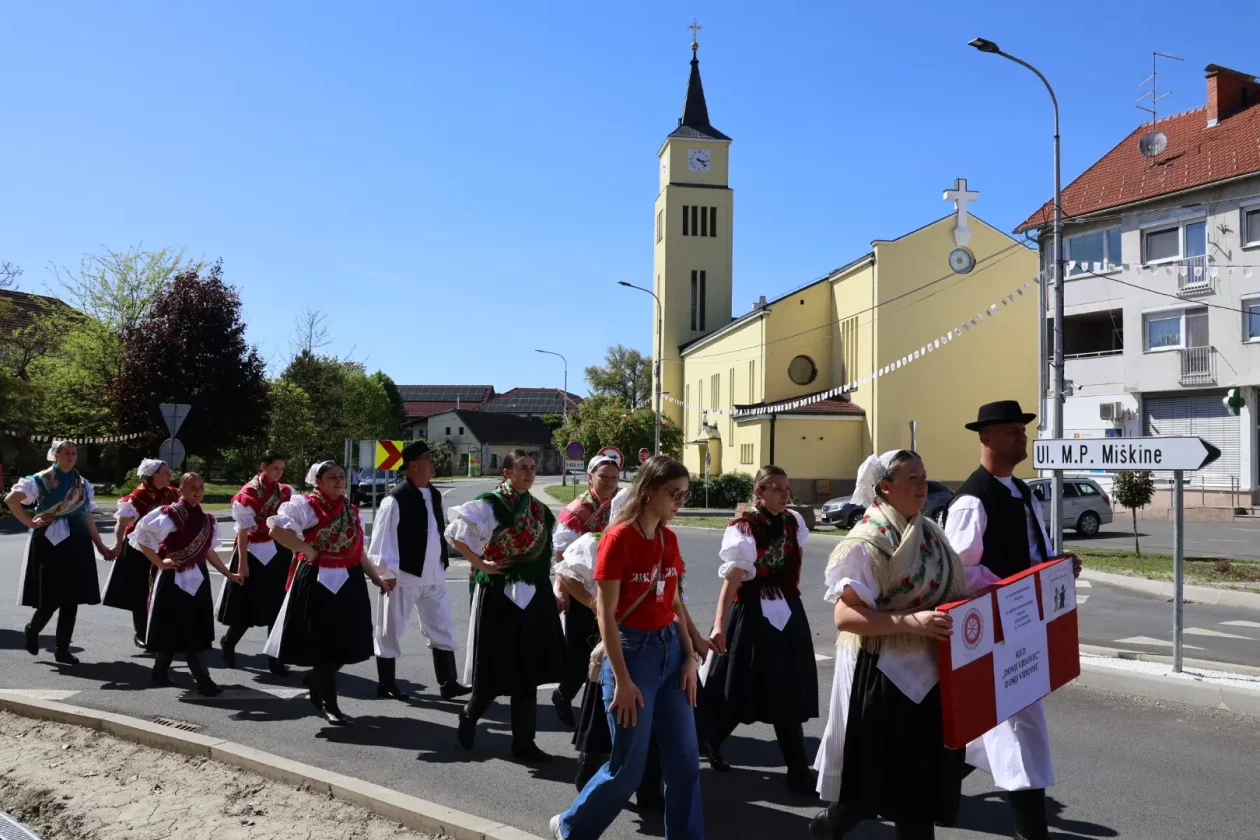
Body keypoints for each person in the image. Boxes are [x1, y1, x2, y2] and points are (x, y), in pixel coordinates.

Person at [810, 450, 966, 840]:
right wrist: (911, 622)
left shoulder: (929, 532)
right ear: (885, 487)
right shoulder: (868, 540)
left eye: (924, 476)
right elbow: (845, 617)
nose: (922, 485)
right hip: (885, 676)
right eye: (911, 478)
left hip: (931, 674)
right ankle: (826, 828)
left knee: (918, 796)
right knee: (869, 790)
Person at [943, 401, 1081, 840]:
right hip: (998, 632)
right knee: (1020, 731)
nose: (1021, 437)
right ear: (985, 439)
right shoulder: (971, 500)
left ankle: (925, 791)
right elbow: (960, 573)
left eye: (1022, 431)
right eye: (1010, 432)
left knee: (991, 730)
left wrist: (1055, 566)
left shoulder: (1021, 491)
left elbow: (1030, 553)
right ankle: (1030, 830)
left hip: (1026, 624)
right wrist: (1016, 588)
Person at [550, 455, 703, 840]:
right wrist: (621, 679)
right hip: (632, 654)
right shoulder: (618, 539)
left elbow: (673, 603)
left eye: (684, 495)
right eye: (673, 494)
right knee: (627, 768)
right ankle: (571, 826)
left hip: (670, 653)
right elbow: (605, 613)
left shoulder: (668, 538)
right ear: (649, 491)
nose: (679, 503)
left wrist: (689, 655)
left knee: (685, 764)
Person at [701, 465, 817, 794]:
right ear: (760, 492)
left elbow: (792, 563)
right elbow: (733, 580)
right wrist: (720, 624)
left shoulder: (793, 522)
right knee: (741, 687)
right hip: (752, 614)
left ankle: (798, 771)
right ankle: (711, 738)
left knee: (787, 689)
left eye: (787, 487)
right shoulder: (744, 528)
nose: (785, 494)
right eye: (777, 488)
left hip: (787, 612)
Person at [445, 449, 564, 763]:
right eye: (522, 468)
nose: (529, 473)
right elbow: (457, 533)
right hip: (500, 593)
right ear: (507, 472)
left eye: (533, 467)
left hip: (533, 592)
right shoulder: (491, 503)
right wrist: (481, 564)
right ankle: (470, 714)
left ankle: (524, 744)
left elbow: (546, 553)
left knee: (529, 670)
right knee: (496, 668)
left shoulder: (538, 508)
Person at [264, 460, 393, 726]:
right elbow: (276, 529)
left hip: (349, 580)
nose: (338, 481)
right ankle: (330, 704)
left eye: (341, 477)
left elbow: (358, 551)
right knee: (324, 645)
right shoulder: (305, 506)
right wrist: (306, 549)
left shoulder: (350, 510)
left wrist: (376, 577)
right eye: (331, 477)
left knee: (350, 641)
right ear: (318, 482)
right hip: (317, 580)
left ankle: (315, 679)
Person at [368, 440, 470, 701]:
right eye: (428, 459)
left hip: (434, 576)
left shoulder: (434, 494)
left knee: (442, 626)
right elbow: (382, 539)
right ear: (413, 465)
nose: (433, 463)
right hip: (403, 576)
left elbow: (436, 533)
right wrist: (385, 574)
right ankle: (387, 683)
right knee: (390, 628)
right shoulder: (395, 499)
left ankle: (448, 683)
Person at [132, 473, 242, 695]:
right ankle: (203, 680)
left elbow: (208, 550)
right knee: (179, 626)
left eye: (200, 487)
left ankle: (159, 671)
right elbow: (141, 536)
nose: (197, 491)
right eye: (192, 487)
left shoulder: (206, 518)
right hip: (173, 577)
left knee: (193, 626)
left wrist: (227, 573)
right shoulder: (170, 514)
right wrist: (160, 562)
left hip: (197, 576)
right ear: (180, 489)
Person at [5, 440, 111, 665]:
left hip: (78, 542)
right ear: (56, 455)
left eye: (74, 453)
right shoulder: (41, 480)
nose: (71, 456)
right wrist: (31, 523)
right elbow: (11, 500)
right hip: (50, 543)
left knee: (72, 599)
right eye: (66, 453)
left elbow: (87, 516)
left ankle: (62, 649)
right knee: (51, 597)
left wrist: (100, 545)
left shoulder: (82, 483)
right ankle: (32, 629)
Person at [551, 454, 622, 727]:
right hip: (583, 590)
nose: (609, 482)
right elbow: (562, 558)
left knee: (610, 652)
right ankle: (563, 695)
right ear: (590, 477)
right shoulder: (577, 511)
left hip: (611, 588)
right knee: (582, 655)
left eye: (614, 478)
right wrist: (564, 589)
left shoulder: (619, 506)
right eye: (603, 477)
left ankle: (599, 712)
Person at [218, 450, 294, 676]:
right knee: (246, 607)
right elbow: (243, 531)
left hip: (277, 551)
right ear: (263, 466)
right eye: (274, 469)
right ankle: (229, 643)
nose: (278, 473)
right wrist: (242, 563)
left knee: (277, 606)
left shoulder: (285, 491)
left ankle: (275, 659)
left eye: (281, 469)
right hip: (252, 553)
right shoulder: (248, 493)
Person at [102, 458, 180, 648]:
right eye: (166, 473)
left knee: (162, 590)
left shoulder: (171, 493)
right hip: (139, 550)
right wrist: (117, 544)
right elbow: (121, 523)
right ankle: (142, 634)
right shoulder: (140, 496)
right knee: (140, 592)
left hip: (161, 549)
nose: (170, 475)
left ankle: (161, 631)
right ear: (154, 476)